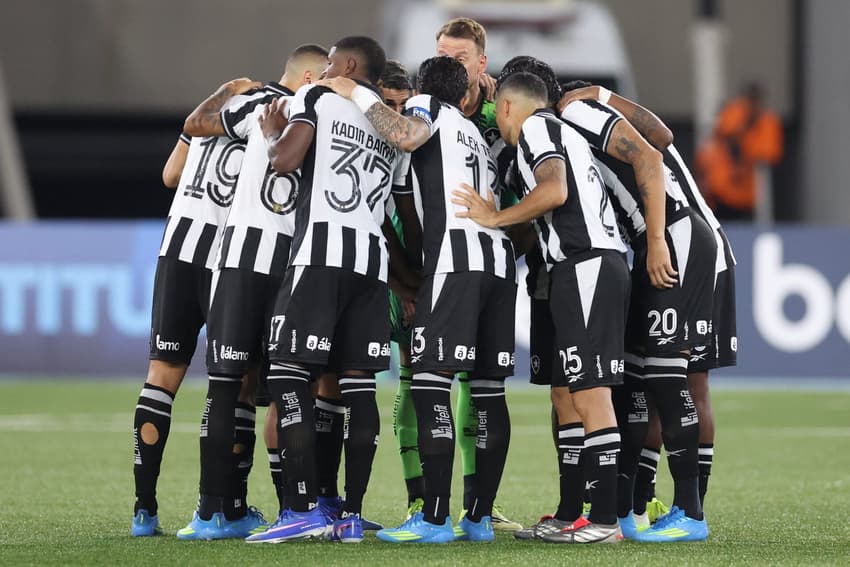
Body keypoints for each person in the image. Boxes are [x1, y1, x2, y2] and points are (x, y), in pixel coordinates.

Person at [323, 55, 518, 543]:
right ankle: (478, 518)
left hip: (455, 263)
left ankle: (431, 519)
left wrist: (357, 92)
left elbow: (405, 137)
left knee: (430, 384)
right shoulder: (473, 134)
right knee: (489, 392)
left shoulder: (427, 108)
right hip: (498, 265)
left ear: (421, 92)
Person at [454, 72, 630, 544]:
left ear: (508, 108)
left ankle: (605, 521)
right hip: (584, 267)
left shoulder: (537, 129)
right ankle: (574, 514)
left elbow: (555, 192)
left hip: (587, 265)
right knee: (571, 394)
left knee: (591, 394)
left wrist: (494, 217)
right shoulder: (557, 132)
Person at [246, 35, 404, 544]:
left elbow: (286, 161)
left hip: (320, 256)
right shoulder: (382, 122)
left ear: (348, 65)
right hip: (370, 265)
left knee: (289, 375)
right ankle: (350, 514)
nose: (322, 70)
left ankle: (300, 509)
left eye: (331, 62)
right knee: (358, 386)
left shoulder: (318, 98)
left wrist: (274, 133)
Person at [174, 45, 329, 541]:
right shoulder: (319, 116)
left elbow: (197, 124)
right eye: (322, 74)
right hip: (290, 266)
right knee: (288, 386)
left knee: (230, 385)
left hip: (240, 261)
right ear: (307, 75)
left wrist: (229, 90)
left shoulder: (252, 106)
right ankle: (291, 510)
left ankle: (215, 512)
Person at [559, 81, 716, 543]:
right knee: (632, 380)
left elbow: (656, 148)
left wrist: (654, 240)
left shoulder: (575, 116)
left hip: (671, 238)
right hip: (641, 246)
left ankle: (690, 511)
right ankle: (625, 510)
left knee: (669, 377)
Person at [131, 76, 263, 537]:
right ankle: (229, 506)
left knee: (160, 379)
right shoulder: (260, 128)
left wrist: (222, 90)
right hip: (226, 260)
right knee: (236, 383)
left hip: (176, 253)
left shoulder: (201, 129)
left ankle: (144, 510)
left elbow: (169, 176)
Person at [433, 17, 522, 532]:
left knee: (481, 386)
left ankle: (477, 509)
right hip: (432, 262)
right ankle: (422, 502)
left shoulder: (502, 114)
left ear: (481, 65)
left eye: (459, 58)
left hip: (490, 261)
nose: (448, 65)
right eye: (442, 55)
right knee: (418, 380)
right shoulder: (422, 107)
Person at [696, 82, 783, 220]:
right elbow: (725, 136)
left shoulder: (767, 121)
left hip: (747, 192)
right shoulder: (733, 114)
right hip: (720, 188)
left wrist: (744, 162)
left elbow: (769, 154)